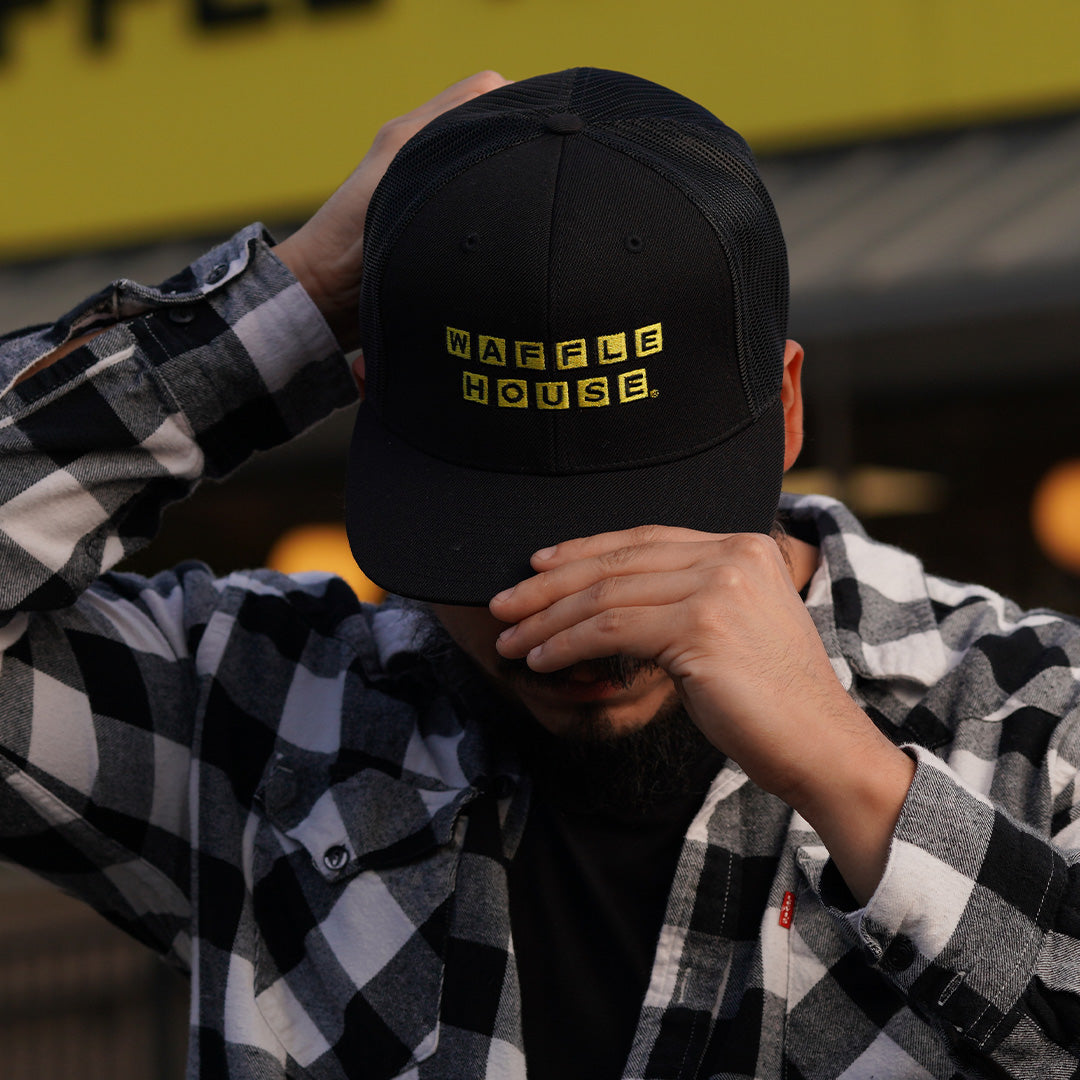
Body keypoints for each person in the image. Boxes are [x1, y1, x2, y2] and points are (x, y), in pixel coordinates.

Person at [0, 67, 1078, 1080]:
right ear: (375, 413)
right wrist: (288, 305)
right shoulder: (259, 720)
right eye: (490, 544)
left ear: (787, 407)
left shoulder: (1036, 726)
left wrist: (859, 783)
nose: (579, 620)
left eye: (646, 539)